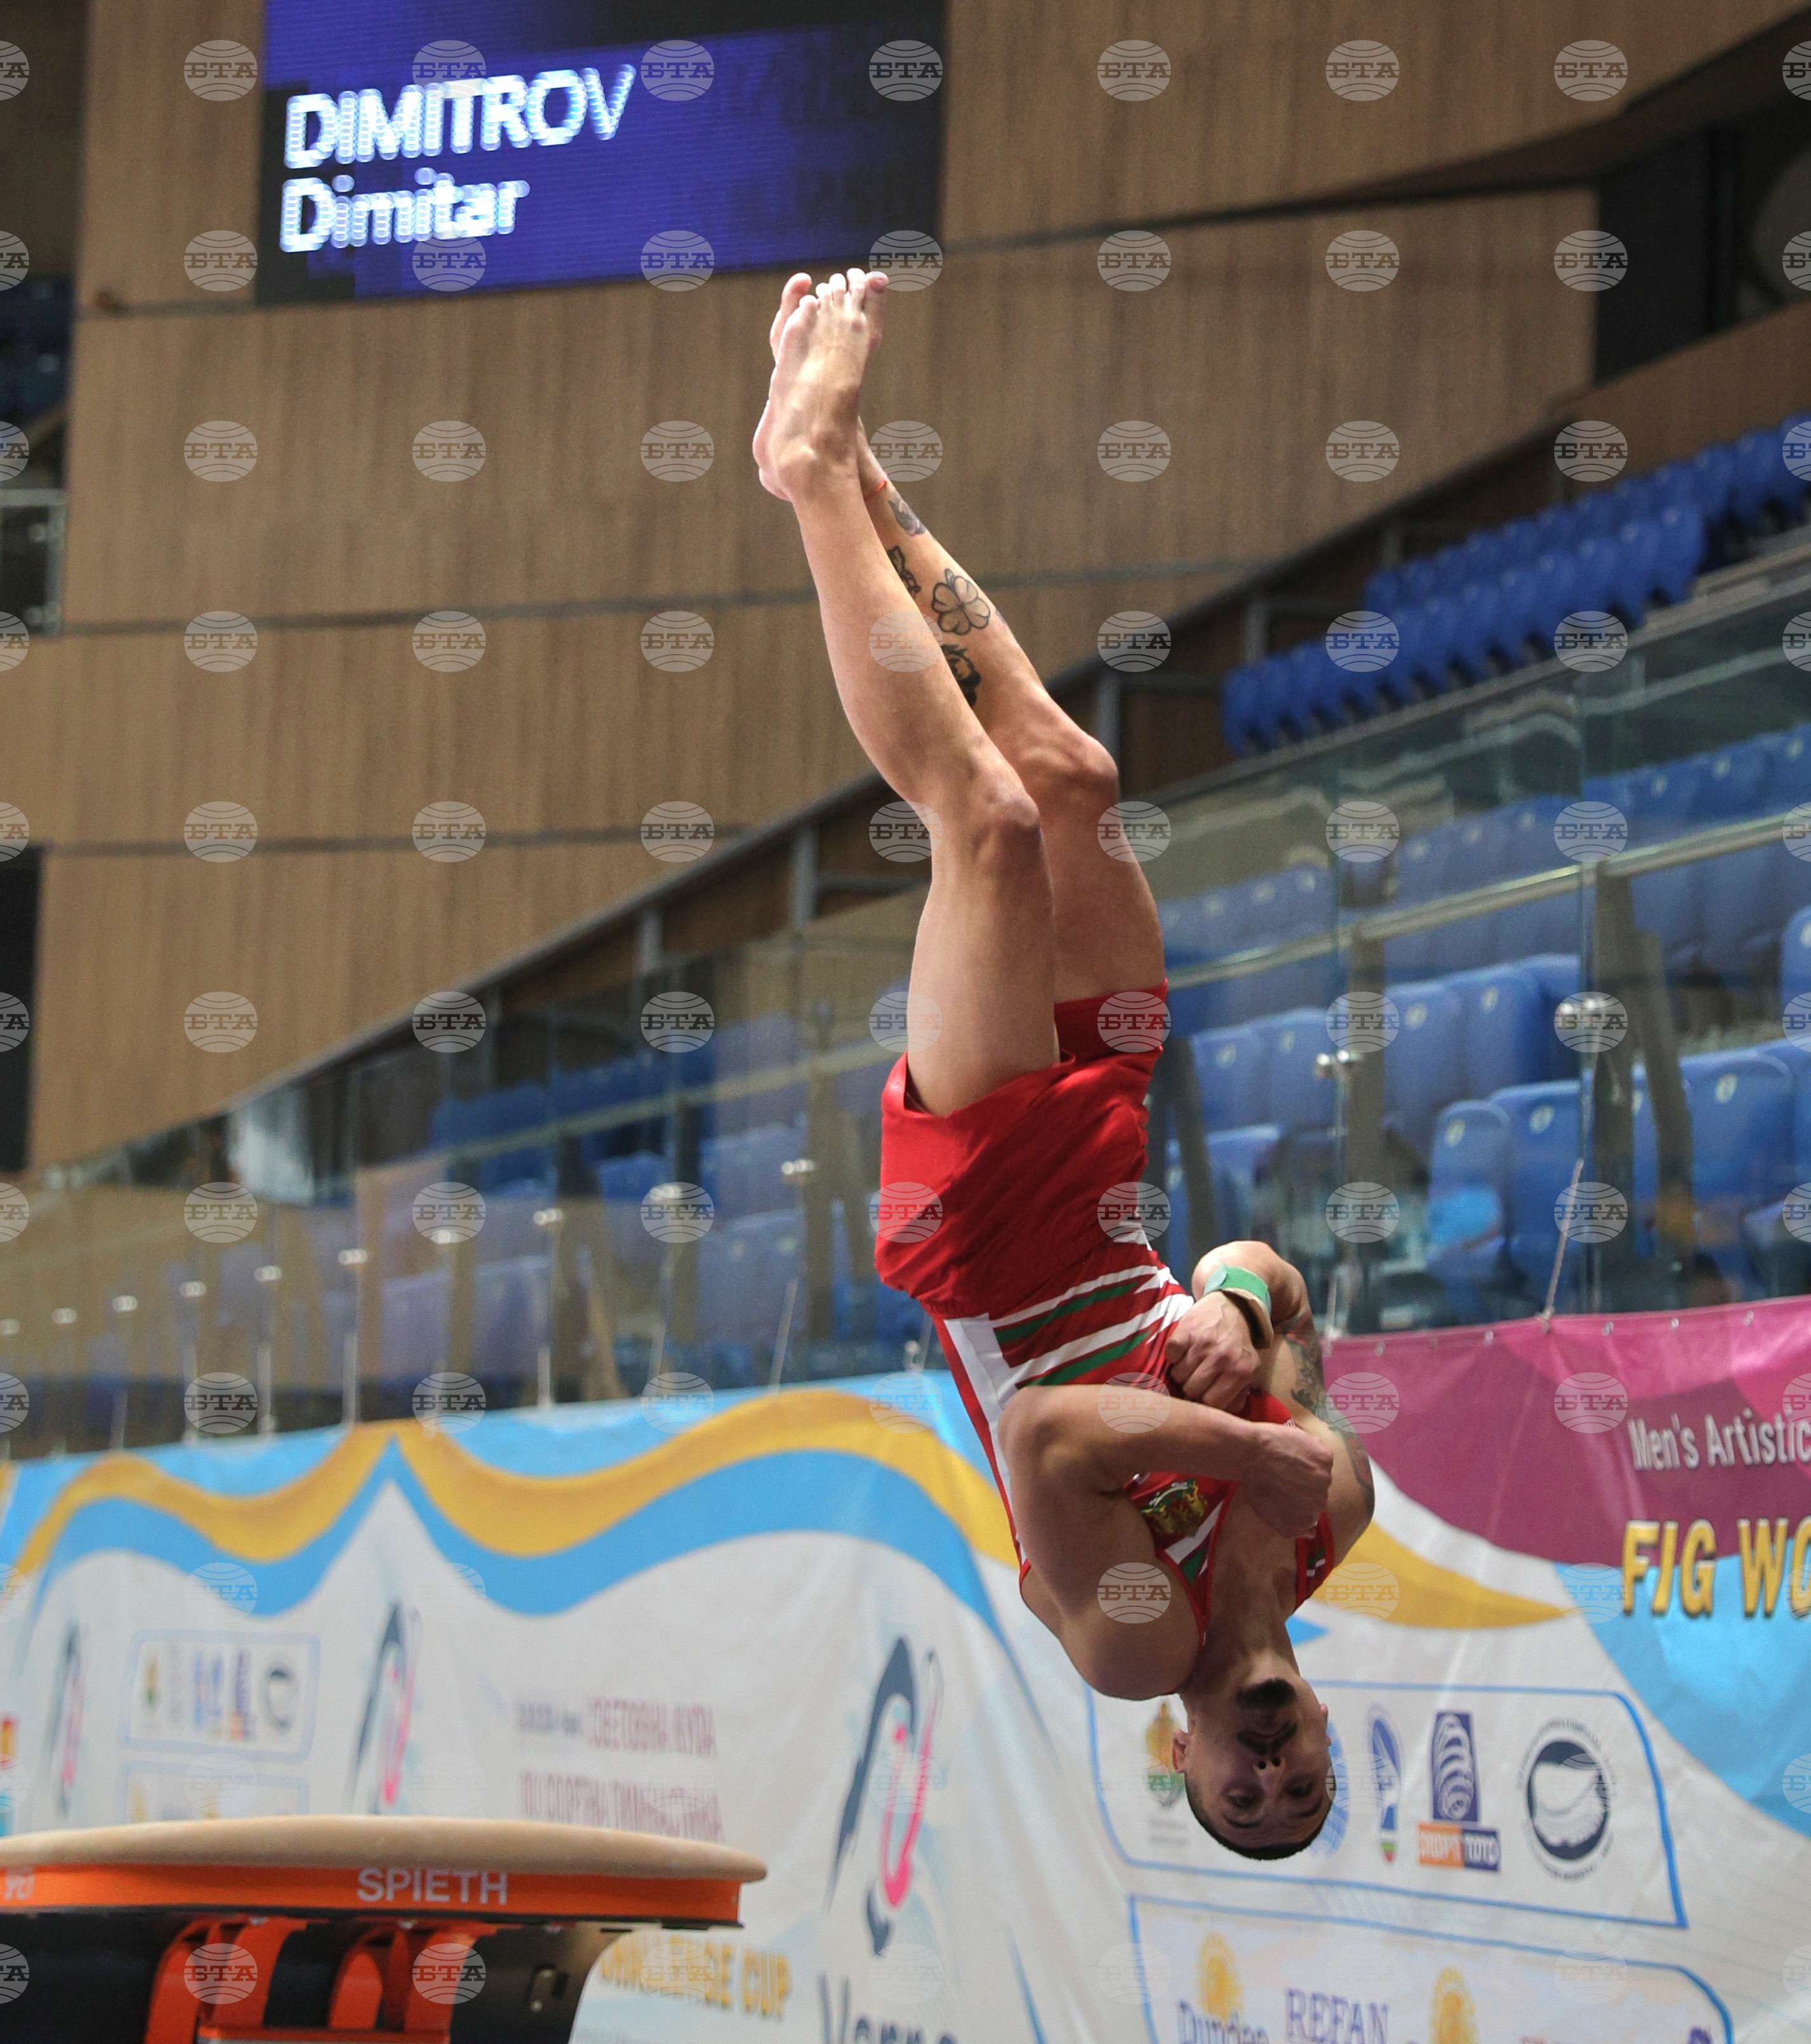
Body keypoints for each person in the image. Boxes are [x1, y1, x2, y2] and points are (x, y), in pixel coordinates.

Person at [753, 268, 1375, 1857]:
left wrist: (1245, 1440)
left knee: (990, 830)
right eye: (1304, 1785)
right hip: (1111, 1193)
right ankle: (867, 473)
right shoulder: (1333, 1524)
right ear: (1322, 1731)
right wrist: (1237, 1307)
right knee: (1076, 776)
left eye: (1247, 1801)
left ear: (1186, 1768)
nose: (1271, 1773)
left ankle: (813, 475)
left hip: (995, 1256)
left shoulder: (1130, 1647)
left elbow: (1046, 1438)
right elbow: (1270, 1277)